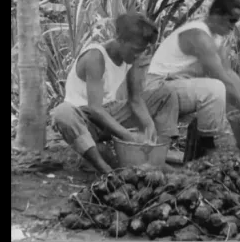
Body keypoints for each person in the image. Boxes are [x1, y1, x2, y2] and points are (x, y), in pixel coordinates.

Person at [51, 13, 180, 174]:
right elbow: (95, 109)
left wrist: (149, 125)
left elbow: (135, 100)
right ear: (121, 40)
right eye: (135, 50)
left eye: (142, 51)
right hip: (85, 119)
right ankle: (104, 169)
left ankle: (156, 158)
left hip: (110, 114)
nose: (138, 55)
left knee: (165, 93)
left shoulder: (130, 59)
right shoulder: (95, 57)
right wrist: (128, 136)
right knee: (62, 113)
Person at [145, 0, 240, 162]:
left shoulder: (216, 39)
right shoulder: (198, 35)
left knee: (224, 100)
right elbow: (223, 81)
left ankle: (199, 152)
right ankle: (208, 148)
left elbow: (229, 74)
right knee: (215, 90)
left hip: (175, 88)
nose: (233, 27)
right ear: (216, 14)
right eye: (231, 20)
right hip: (156, 89)